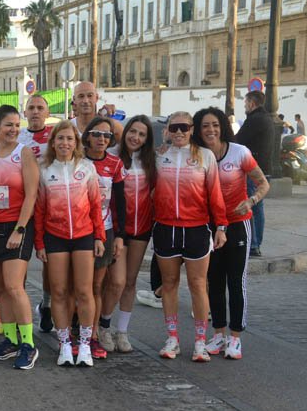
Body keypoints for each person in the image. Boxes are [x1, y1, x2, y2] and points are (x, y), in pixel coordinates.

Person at [193, 107, 270, 360]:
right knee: (213, 281)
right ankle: (218, 334)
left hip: (238, 224)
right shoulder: (197, 155)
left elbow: (263, 183)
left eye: (215, 125)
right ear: (198, 129)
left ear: (223, 126)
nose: (210, 130)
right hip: (209, 226)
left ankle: (235, 338)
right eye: (205, 125)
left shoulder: (239, 153)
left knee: (235, 282)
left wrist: (251, 201)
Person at [153, 111, 227, 362]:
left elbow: (215, 194)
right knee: (170, 284)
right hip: (166, 228)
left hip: (196, 229)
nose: (179, 132)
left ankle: (199, 342)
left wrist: (221, 227)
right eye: (174, 127)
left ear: (192, 129)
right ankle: (172, 338)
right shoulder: (159, 156)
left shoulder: (205, 156)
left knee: (197, 285)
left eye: (184, 127)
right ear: (167, 130)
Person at [35, 121, 105, 367]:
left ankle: (84, 343)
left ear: (76, 143)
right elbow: (40, 209)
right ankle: (64, 344)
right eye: (60, 138)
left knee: (84, 291)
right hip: (55, 236)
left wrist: (99, 236)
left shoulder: (86, 168)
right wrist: (39, 242)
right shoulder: (44, 170)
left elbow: (96, 205)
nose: (65, 143)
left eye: (69, 139)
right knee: (59, 292)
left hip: (84, 235)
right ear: (53, 142)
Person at [0, 105, 41, 370]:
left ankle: (28, 344)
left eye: (17, 125)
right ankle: (9, 340)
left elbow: (31, 195)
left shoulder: (24, 153)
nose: (14, 130)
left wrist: (19, 228)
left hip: (16, 228)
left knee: (14, 286)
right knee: (0, 288)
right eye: (8, 125)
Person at [109, 115, 157, 353]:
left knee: (129, 282)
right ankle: (103, 326)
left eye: (141, 134)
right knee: (115, 282)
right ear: (125, 131)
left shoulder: (151, 161)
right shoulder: (112, 156)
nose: (135, 137)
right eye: (133, 132)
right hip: (118, 230)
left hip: (142, 229)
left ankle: (122, 332)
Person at [82, 116, 126, 359]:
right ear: (88, 135)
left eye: (107, 136)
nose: (101, 139)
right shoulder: (77, 159)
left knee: (96, 285)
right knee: (76, 286)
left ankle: (93, 334)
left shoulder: (115, 163)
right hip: (78, 229)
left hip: (105, 229)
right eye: (97, 134)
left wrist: (120, 236)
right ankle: (72, 331)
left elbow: (120, 202)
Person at [19, 95, 55, 332]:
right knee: (17, 264)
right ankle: (14, 305)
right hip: (22, 209)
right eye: (31, 107)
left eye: (40, 108)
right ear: (24, 112)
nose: (35, 112)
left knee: (50, 264)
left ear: (47, 112)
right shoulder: (17, 136)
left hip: (50, 208)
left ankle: (48, 304)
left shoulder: (56, 135)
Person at [233, 90, 272, 258]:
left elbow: (237, 140)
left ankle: (254, 245)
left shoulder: (254, 120)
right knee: (258, 207)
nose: (244, 106)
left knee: (251, 207)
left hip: (253, 170)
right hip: (264, 168)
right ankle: (257, 243)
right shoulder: (267, 119)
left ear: (252, 103)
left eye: (245, 103)